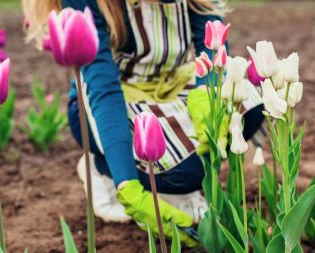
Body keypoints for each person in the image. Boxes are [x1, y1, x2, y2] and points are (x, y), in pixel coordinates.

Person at [22, 0, 264, 246]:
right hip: (111, 104)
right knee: (186, 173)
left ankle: (166, 182)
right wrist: (127, 185)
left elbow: (211, 43)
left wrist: (207, 95)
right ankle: (105, 170)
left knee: (249, 106)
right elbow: (104, 89)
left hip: (173, 87)